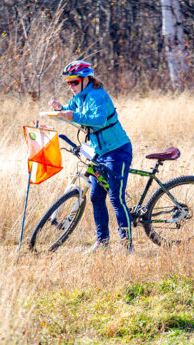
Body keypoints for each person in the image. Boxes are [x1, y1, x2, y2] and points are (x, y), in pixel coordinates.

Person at [49, 60, 133, 253]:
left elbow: (99, 120)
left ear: (86, 79)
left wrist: (72, 116)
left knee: (116, 198)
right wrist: (59, 109)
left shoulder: (97, 95)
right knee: (96, 196)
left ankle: (127, 245)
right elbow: (72, 114)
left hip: (117, 150)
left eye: (74, 82)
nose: (71, 87)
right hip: (99, 153)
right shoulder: (78, 97)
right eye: (68, 83)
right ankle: (102, 242)